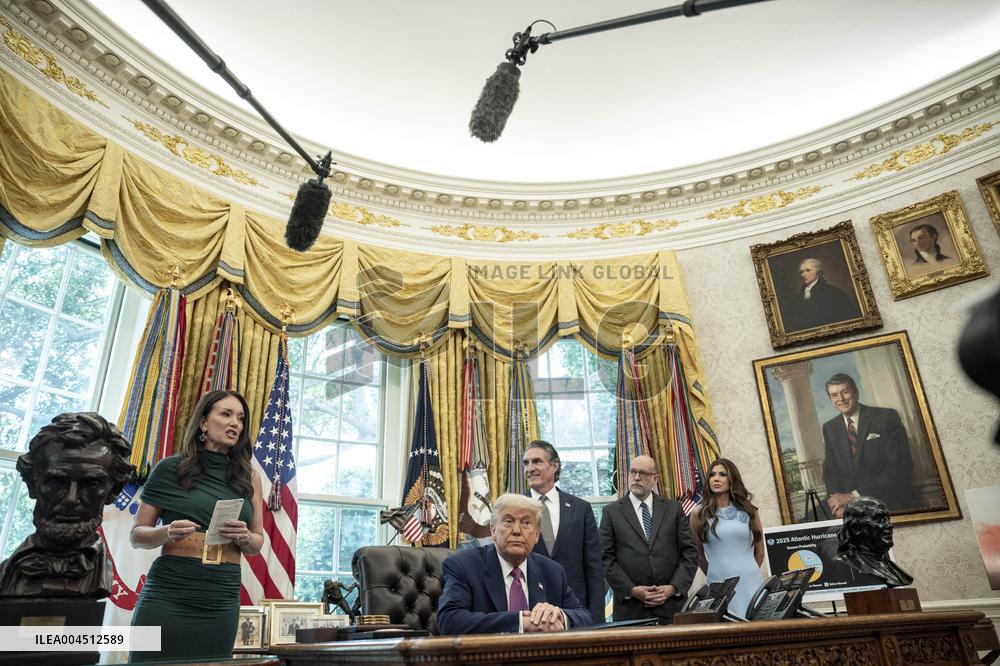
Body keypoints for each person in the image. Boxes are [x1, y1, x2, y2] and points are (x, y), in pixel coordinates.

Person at [129, 390, 263, 661]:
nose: (235, 423)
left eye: (240, 418)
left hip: (221, 597)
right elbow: (137, 535)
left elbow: (257, 543)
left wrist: (244, 536)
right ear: (203, 422)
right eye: (225, 414)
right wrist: (165, 532)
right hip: (169, 594)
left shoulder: (250, 477)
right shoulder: (170, 468)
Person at [0, 412, 131, 598]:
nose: (71, 499)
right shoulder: (5, 574)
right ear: (32, 484)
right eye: (56, 482)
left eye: (91, 484)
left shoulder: (103, 575)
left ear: (113, 492)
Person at [436, 493, 593, 635]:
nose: (517, 530)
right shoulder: (463, 566)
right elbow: (449, 620)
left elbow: (584, 616)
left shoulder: (552, 571)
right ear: (493, 531)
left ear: (536, 535)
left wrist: (559, 615)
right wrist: (521, 622)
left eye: (526, 523)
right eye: (508, 521)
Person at [600, 455, 698, 624]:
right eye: (633, 472)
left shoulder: (673, 509)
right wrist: (632, 590)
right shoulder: (612, 512)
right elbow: (604, 557)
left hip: (671, 606)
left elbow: (689, 552)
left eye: (643, 473)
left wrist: (673, 588)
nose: (636, 477)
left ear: (655, 479)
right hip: (630, 609)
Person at [522, 440, 605, 623]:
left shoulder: (580, 508)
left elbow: (594, 567)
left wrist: (597, 619)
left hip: (574, 610)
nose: (530, 468)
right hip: (529, 612)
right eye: (526, 463)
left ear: (554, 466)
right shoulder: (515, 508)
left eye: (536, 461)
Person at [821, 374, 917, 518]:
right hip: (846, 503)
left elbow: (900, 467)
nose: (840, 399)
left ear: (856, 392)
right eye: (834, 395)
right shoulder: (830, 427)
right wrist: (837, 502)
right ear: (830, 399)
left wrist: (852, 496)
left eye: (845, 392)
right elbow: (830, 471)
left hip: (885, 498)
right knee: (807, 522)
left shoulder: (885, 417)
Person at [689, 459, 764, 619]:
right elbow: (699, 555)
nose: (716, 478)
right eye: (712, 475)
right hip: (719, 583)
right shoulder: (698, 514)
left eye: (722, 474)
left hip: (751, 580)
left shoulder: (750, 511)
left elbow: (760, 552)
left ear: (732, 480)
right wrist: (715, 576)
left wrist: (746, 572)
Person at [834, 496, 913, 587]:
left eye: (888, 519)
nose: (889, 525)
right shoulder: (844, 565)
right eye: (878, 519)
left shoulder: (892, 569)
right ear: (855, 528)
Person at [784, 258, 860, 332]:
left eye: (808, 270)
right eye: (801, 272)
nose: (803, 274)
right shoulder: (797, 299)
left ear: (818, 272)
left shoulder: (834, 293)